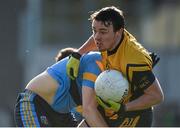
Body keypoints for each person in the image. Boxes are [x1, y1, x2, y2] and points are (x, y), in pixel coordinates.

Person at [66, 6, 164, 127]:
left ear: (119, 32)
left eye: (102, 32)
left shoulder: (133, 61)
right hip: (110, 109)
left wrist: (124, 107)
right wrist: (78, 54)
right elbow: (97, 36)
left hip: (134, 115)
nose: (97, 37)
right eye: (94, 30)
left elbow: (157, 96)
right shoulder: (109, 39)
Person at [14, 47, 108, 127]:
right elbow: (89, 111)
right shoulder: (95, 62)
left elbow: (90, 119)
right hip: (36, 103)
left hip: (63, 113)